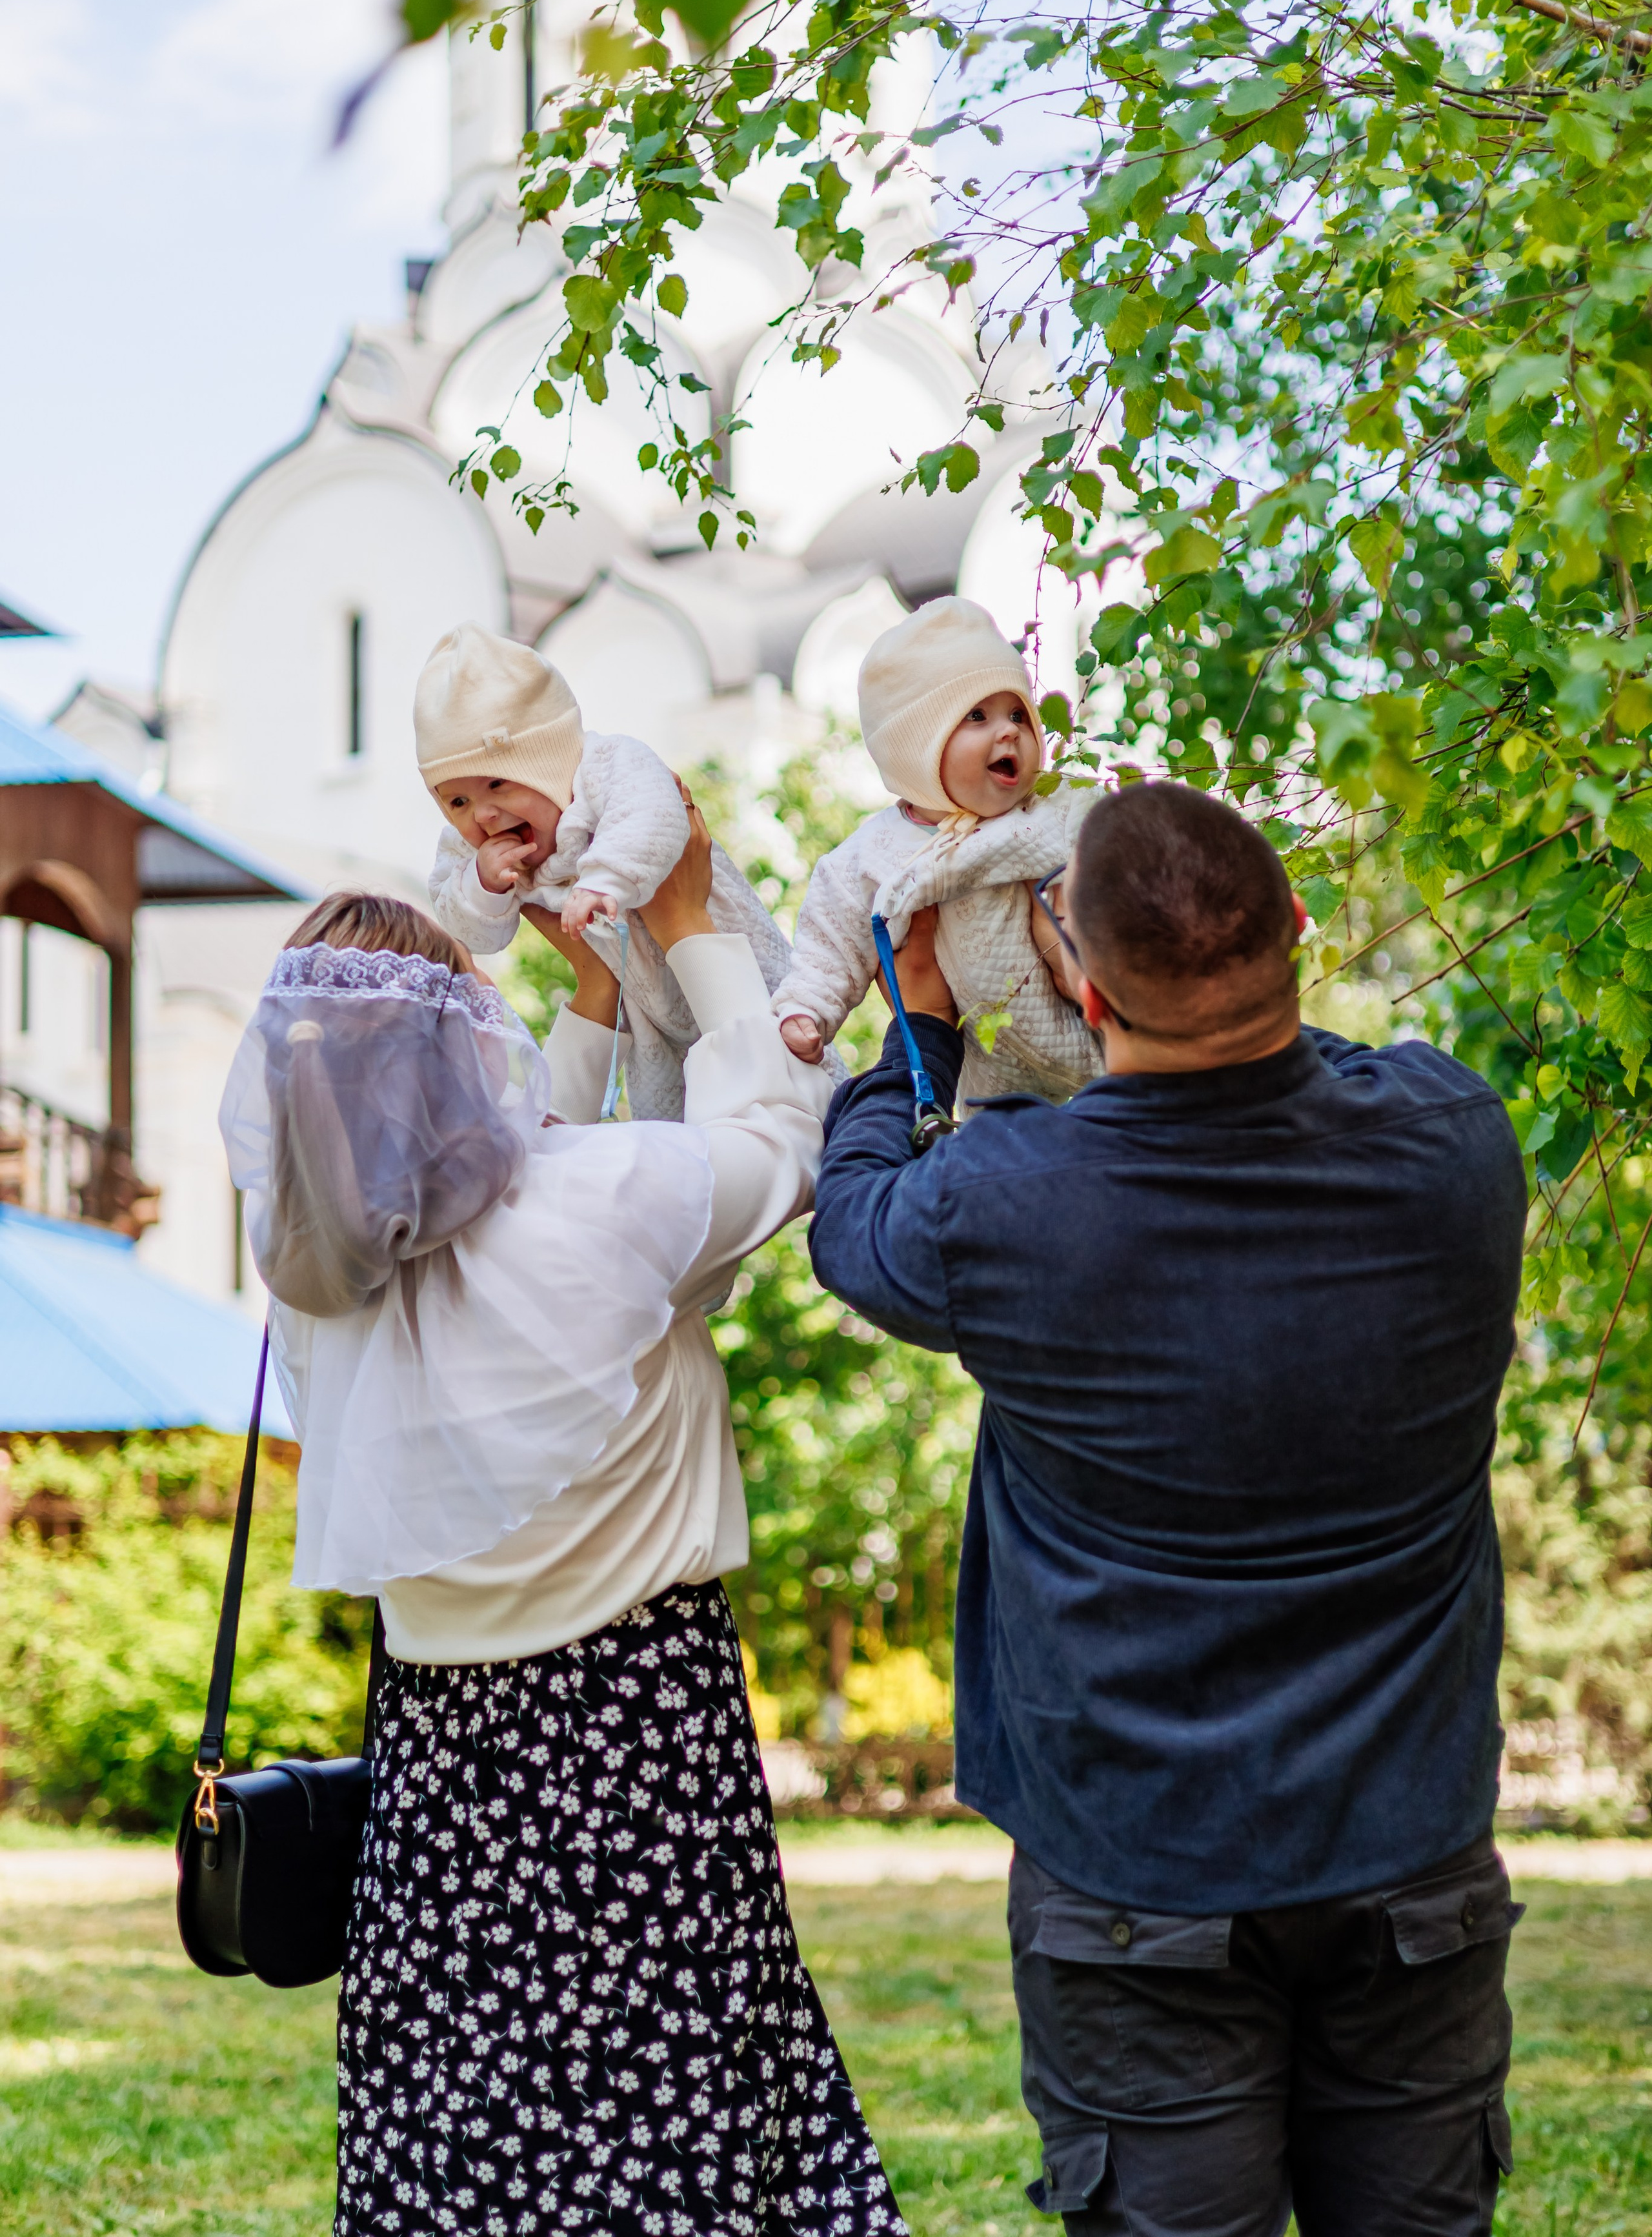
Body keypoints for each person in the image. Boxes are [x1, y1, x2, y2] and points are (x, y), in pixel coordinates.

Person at [809, 778, 1529, 2237]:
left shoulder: (1002, 1205)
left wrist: (927, 1022)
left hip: (1134, 1867)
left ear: (1074, 975)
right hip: (1408, 1850)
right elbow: (1316, 1062)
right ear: (1299, 931)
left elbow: (851, 1212)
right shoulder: (1454, 1144)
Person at [219, 811, 903, 2237]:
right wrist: (700, 920)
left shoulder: (317, 1277)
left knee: (465, 2113)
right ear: (472, 1046)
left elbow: (479, 1194)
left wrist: (588, 1013)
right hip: (636, 1737)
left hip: (442, 1754)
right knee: (672, 2098)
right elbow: (778, 1134)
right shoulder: (614, 1201)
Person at [418, 621, 809, 1118]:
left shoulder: (607, 766)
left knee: (790, 1054)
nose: (483, 815)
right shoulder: (470, 850)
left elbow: (653, 814)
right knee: (673, 1115)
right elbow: (463, 925)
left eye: (499, 783)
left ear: (549, 761)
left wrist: (605, 880)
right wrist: (483, 887)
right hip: (646, 1018)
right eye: (457, 800)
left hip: (730, 960)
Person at [770, 599, 1102, 1101]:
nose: (1009, 729)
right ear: (917, 747)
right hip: (989, 1084)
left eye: (1018, 713)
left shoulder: (1055, 810)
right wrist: (805, 1007)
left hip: (1097, 1042)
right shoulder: (876, 854)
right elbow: (830, 940)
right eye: (977, 715)